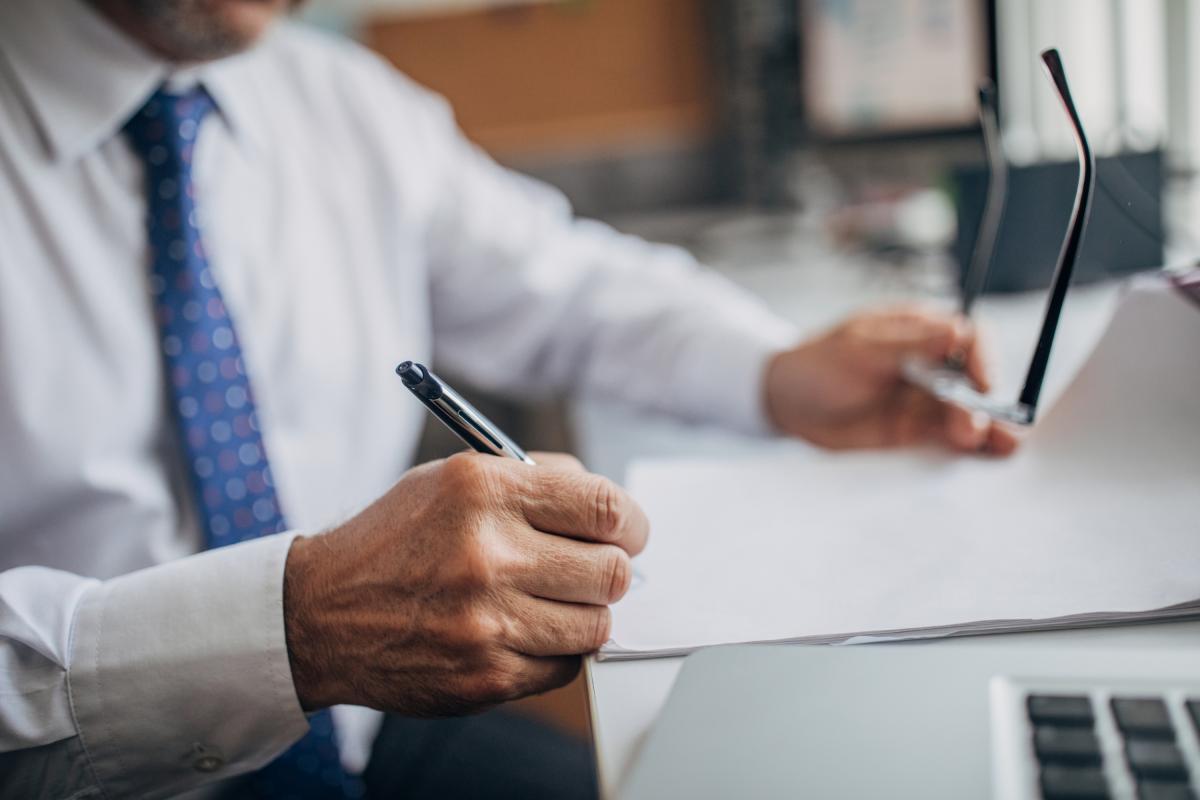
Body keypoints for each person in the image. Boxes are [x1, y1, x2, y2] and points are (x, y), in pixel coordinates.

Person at [0, 0, 1017, 797]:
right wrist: (290, 629)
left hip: (358, 743)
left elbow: (565, 285)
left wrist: (774, 370)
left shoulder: (342, 103)